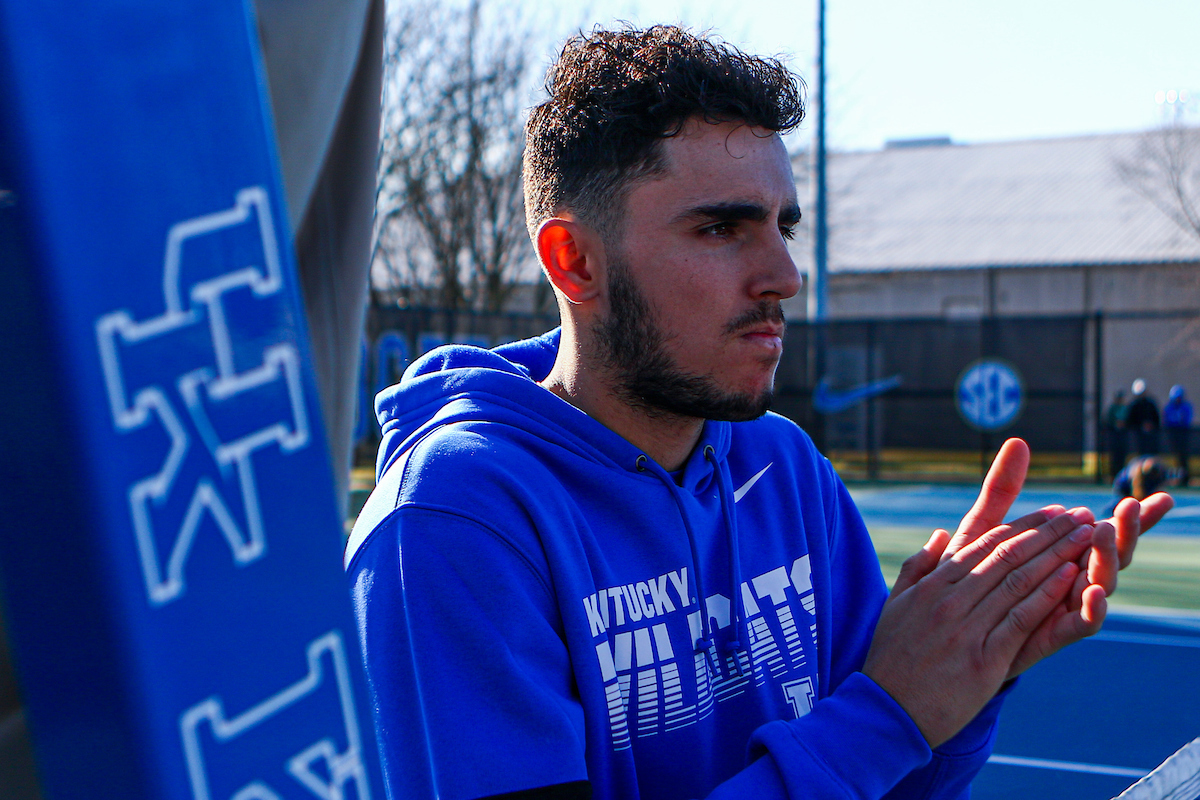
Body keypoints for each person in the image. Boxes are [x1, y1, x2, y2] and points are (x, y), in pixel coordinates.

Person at [346, 26, 1172, 800]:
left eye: (783, 226)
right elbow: (867, 742)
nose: (784, 275)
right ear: (576, 262)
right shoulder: (454, 521)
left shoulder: (784, 468)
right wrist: (890, 714)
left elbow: (882, 782)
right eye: (721, 228)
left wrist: (963, 674)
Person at [1163, 385, 1193, 484]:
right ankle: (1173, 477)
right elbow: (1166, 420)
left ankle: (1184, 478)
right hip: (1172, 437)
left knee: (1183, 458)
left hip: (1183, 437)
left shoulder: (1185, 407)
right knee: (1173, 457)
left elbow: (1186, 420)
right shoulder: (1169, 407)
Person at [1126, 378, 1161, 456]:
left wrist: (1151, 425)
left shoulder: (1151, 404)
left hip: (1151, 438)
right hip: (1138, 438)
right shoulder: (1133, 406)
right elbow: (1130, 421)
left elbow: (1156, 418)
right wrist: (1140, 426)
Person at [1106, 389, 1129, 479]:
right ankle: (1113, 475)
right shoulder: (1112, 408)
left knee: (1122, 456)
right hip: (1114, 435)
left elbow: (1129, 420)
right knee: (1114, 456)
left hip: (1123, 435)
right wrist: (1115, 423)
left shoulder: (1125, 408)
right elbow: (1108, 420)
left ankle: (1121, 475)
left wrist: (1124, 424)